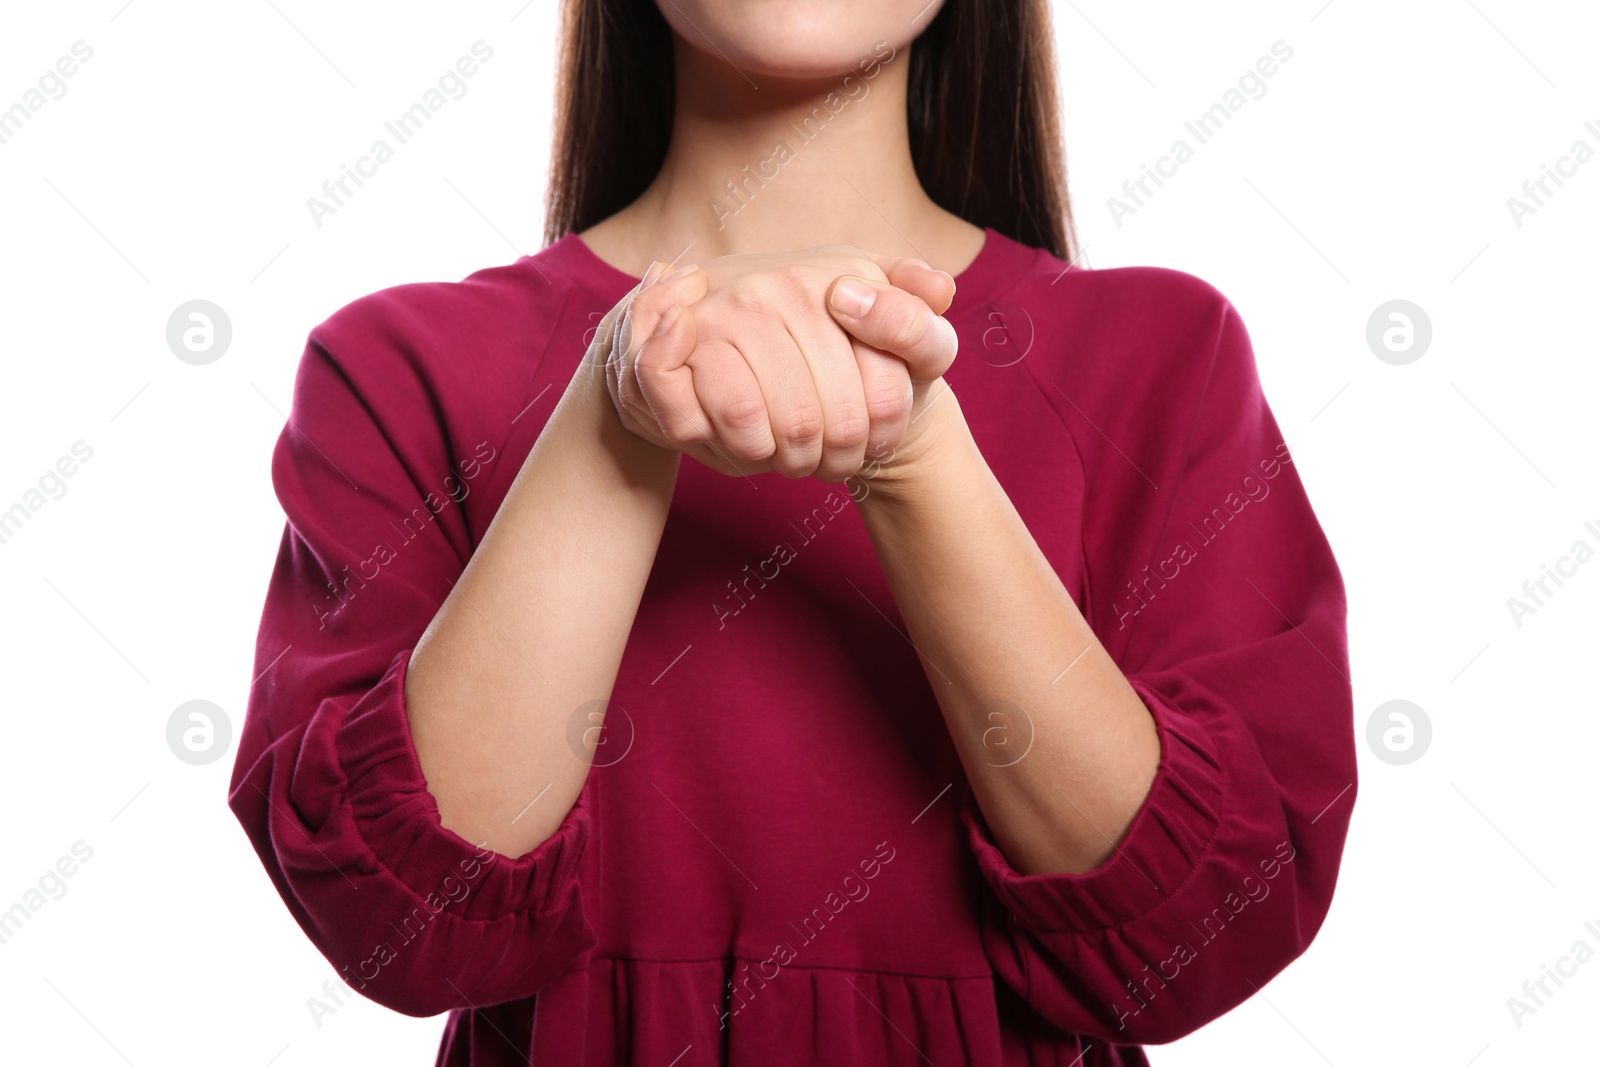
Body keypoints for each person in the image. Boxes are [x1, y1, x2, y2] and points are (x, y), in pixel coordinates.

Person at [229, 1, 1356, 1063]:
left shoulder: (1160, 354)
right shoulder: (403, 369)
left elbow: (1199, 937)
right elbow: (402, 918)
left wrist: (914, 455)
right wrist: (613, 418)